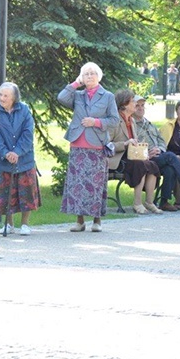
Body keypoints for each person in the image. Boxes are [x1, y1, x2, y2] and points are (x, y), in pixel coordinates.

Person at [58, 62, 119, 233]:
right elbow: (61, 98)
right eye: (86, 74)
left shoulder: (107, 96)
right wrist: (76, 83)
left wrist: (96, 122)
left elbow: (114, 120)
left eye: (92, 73)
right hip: (78, 143)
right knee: (77, 183)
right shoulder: (77, 95)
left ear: (98, 76)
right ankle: (79, 221)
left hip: (97, 145)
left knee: (95, 184)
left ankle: (97, 220)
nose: (89, 76)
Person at [0, 82, 41, 236]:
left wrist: (17, 152)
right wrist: (6, 153)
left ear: (14, 98)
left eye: (6, 96)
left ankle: (25, 224)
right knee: (4, 193)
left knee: (27, 192)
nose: (2, 98)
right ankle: (9, 225)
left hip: (24, 159)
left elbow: (27, 134)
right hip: (3, 159)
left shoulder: (24, 110)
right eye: (0, 95)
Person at [108, 90, 161, 215]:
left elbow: (135, 143)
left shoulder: (131, 120)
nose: (135, 104)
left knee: (152, 165)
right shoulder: (114, 120)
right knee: (140, 165)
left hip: (132, 156)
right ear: (125, 104)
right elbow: (106, 145)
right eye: (133, 102)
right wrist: (125, 144)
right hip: (118, 158)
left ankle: (149, 202)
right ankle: (137, 203)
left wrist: (144, 153)